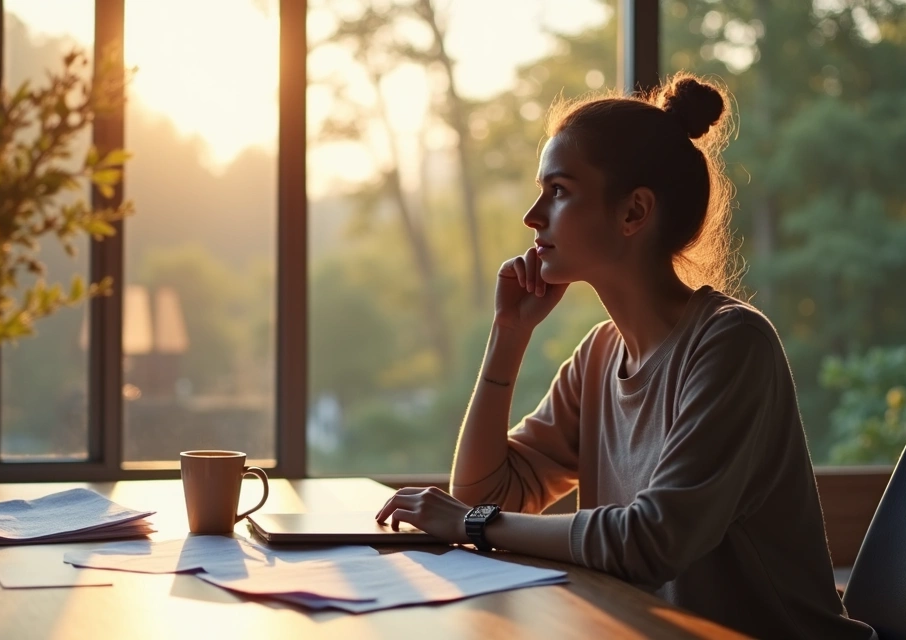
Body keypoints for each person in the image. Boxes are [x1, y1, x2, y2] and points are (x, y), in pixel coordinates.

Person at [375, 73, 877, 639]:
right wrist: (508, 335)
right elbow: (482, 497)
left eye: (559, 190)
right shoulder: (598, 355)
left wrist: (472, 521)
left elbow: (650, 542)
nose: (533, 215)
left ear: (634, 212)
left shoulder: (732, 345)